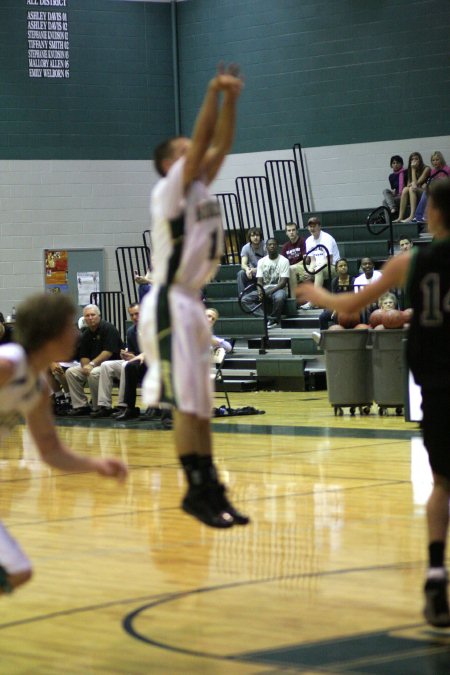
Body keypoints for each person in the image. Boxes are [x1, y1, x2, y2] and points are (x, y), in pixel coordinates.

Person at [297, 178, 450, 628]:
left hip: (437, 380)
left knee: (442, 483)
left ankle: (436, 577)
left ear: (432, 215)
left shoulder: (412, 259)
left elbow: (354, 302)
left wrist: (318, 295)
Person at [139, 63, 249, 528]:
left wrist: (233, 100)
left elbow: (220, 143)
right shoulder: (170, 190)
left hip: (190, 301)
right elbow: (205, 138)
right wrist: (211, 92)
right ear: (171, 163)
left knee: (201, 404)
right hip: (168, 300)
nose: (197, 152)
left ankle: (210, 488)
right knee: (186, 402)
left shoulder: (200, 184)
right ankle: (193, 489)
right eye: (186, 150)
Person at [0, 293, 127, 596]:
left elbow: (51, 451)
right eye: (70, 327)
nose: (76, 332)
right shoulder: (7, 365)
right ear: (50, 333)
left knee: (17, 572)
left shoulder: (38, 386)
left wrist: (95, 465)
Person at [65, 304, 123, 416]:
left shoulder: (108, 328)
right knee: (71, 372)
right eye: (87, 316)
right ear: (84, 318)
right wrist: (86, 366)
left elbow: (108, 352)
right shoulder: (86, 334)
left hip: (111, 366)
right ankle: (81, 406)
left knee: (94, 373)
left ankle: (101, 406)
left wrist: (91, 365)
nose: (90, 318)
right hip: (94, 365)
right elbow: (83, 355)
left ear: (99, 316)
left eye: (93, 315)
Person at [90, 303, 140, 418]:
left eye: (137, 314)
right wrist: (126, 355)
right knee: (106, 365)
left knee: (126, 365)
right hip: (134, 361)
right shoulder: (131, 331)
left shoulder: (152, 328)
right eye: (131, 315)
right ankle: (104, 406)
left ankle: (123, 405)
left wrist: (134, 358)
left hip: (146, 362)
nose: (134, 317)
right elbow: (132, 352)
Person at [240, 238, 290, 329]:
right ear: (266, 247)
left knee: (279, 297)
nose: (272, 246)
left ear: (277, 246)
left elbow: (283, 282)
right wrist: (260, 291)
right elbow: (259, 280)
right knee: (244, 299)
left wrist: (269, 292)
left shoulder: (284, 261)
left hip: (278, 289)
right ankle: (266, 318)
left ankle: (274, 319)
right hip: (265, 288)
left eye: (274, 244)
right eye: (269, 244)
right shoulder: (261, 261)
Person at [300, 216, 340, 309]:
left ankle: (313, 302)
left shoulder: (327, 238)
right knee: (293, 269)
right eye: (310, 226)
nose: (312, 228)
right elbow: (313, 260)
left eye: (314, 226)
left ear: (319, 226)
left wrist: (313, 271)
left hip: (332, 266)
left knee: (318, 270)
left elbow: (328, 260)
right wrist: (309, 270)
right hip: (317, 266)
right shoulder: (309, 240)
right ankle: (294, 302)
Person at [394, 152, 431, 223]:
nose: (414, 161)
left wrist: (413, 170)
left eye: (416, 159)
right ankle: (400, 217)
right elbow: (408, 184)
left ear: (420, 160)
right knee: (405, 189)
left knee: (411, 189)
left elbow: (416, 184)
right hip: (415, 191)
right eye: (412, 159)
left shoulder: (426, 168)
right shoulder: (410, 170)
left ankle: (412, 216)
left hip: (424, 193)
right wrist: (412, 172)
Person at [318, 258, 355, 330]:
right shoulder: (334, 281)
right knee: (322, 316)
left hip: (350, 307)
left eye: (345, 265)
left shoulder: (353, 280)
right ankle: (324, 337)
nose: (343, 267)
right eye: (341, 266)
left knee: (338, 316)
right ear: (336, 269)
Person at [414, 152, 450, 224]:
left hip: (445, 191)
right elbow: (431, 181)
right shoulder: (433, 171)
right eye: (433, 160)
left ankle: (420, 216)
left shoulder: (447, 169)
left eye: (437, 160)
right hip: (435, 191)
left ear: (441, 160)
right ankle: (420, 216)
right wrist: (426, 184)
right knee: (426, 191)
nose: (435, 162)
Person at [280, 222, 310, 298]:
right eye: (289, 230)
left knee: (291, 270)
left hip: (303, 267)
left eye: (293, 230)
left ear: (297, 231)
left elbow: (306, 260)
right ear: (286, 233)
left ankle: (294, 300)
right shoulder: (285, 246)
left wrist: (293, 266)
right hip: (290, 270)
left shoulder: (304, 242)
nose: (291, 232)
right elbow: (282, 262)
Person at [236, 228, 266, 295]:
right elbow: (243, 264)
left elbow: (268, 264)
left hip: (264, 273)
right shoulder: (246, 248)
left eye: (257, 235)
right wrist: (247, 269)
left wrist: (255, 270)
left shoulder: (265, 246)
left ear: (260, 236)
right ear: (249, 237)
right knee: (241, 273)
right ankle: (243, 297)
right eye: (253, 236)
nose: (255, 237)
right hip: (252, 274)